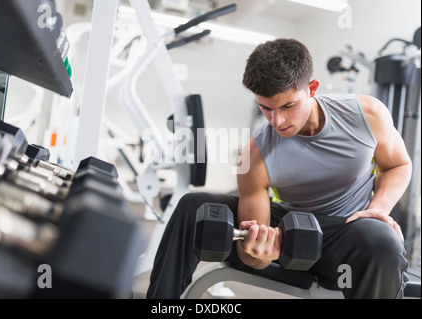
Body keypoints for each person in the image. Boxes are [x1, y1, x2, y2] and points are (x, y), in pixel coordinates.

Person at [146, 38, 412, 299]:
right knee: (194, 206)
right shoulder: (255, 154)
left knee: (381, 238)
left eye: (288, 105)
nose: (277, 120)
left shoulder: (365, 115)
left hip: (347, 231)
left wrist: (378, 209)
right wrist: (260, 256)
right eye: (266, 108)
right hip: (289, 229)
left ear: (312, 88)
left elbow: (398, 165)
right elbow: (251, 253)